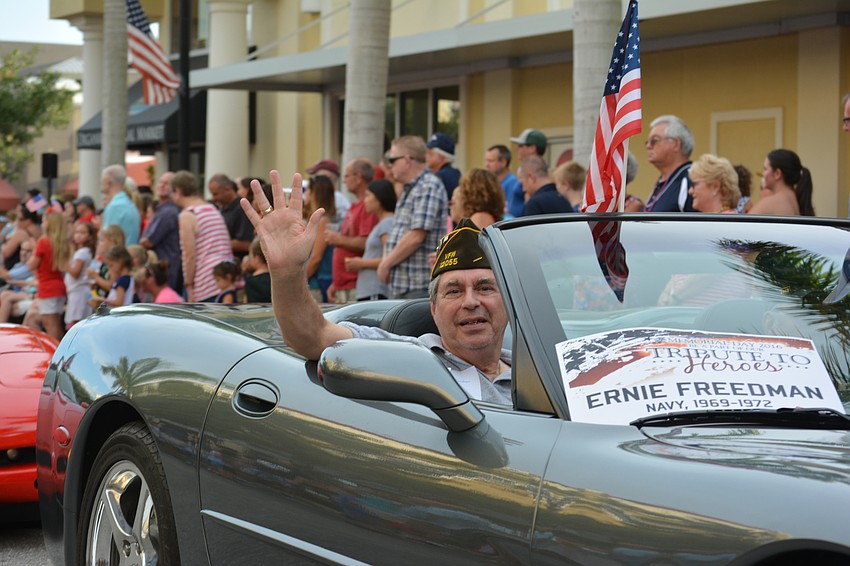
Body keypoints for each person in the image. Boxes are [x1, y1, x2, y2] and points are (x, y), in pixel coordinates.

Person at [242, 171, 512, 405]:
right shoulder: (411, 357)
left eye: (484, 288)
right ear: (433, 308)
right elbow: (312, 336)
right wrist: (287, 272)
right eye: (453, 291)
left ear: (509, 301)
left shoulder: (532, 366)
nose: (470, 302)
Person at [378, 135, 448, 299]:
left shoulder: (427, 185)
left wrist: (386, 264)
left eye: (392, 160)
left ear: (407, 160)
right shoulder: (412, 188)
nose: (390, 165)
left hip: (418, 285)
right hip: (407, 285)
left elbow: (416, 236)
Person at [172, 170, 234, 302]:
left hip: (206, 282)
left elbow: (189, 254)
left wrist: (188, 284)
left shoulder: (188, 215)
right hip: (226, 276)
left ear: (177, 191)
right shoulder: (212, 208)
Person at [324, 159, 378, 304]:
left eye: (347, 176)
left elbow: (366, 242)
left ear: (358, 177)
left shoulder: (367, 207)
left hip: (355, 283)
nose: (344, 181)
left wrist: (338, 239)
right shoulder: (355, 206)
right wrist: (336, 282)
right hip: (344, 283)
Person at [344, 179, 397, 301]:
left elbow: (390, 257)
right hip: (369, 290)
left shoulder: (387, 223)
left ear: (379, 198)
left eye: (368, 196)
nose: (365, 200)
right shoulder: (381, 224)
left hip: (376, 289)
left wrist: (361, 263)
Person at [28, 212, 71, 341]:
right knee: (56, 324)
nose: (42, 224)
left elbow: (31, 265)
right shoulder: (61, 243)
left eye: (44, 221)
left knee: (50, 325)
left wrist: (33, 249)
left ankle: (56, 352)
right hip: (59, 287)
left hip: (47, 287)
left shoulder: (43, 241)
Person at [643, 115, 696, 212]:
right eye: (648, 142)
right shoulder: (662, 181)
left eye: (654, 140)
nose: (648, 146)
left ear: (675, 144)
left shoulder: (692, 179)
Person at [140, 171, 182, 294]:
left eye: (167, 183)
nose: (162, 185)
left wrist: (141, 243)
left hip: (165, 269)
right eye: (161, 182)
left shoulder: (168, 212)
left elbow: (149, 241)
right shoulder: (161, 209)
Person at [749, 149, 815, 216]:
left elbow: (746, 221)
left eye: (765, 169)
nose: (763, 174)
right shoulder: (794, 200)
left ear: (777, 174)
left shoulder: (771, 203)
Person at [304, 175, 336, 303]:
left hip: (318, 284)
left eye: (307, 190)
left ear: (314, 193)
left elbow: (316, 258)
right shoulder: (319, 220)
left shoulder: (323, 221)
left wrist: (299, 281)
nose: (305, 194)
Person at [209, 173, 255, 262]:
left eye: (216, 194)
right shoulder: (222, 209)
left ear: (227, 189)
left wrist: (217, 243)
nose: (214, 198)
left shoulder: (241, 209)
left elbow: (248, 244)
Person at [64, 221, 96, 329]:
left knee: (74, 324)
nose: (78, 235)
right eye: (77, 232)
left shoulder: (82, 252)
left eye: (83, 233)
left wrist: (65, 265)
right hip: (77, 291)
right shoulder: (83, 251)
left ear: (90, 236)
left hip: (78, 292)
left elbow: (75, 272)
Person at [101, 164, 142, 245]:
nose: (101, 184)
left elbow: (107, 241)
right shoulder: (130, 205)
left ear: (108, 182)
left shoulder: (114, 207)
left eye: (101, 181)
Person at [484, 144, 523, 219]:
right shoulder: (492, 184)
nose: (486, 165)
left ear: (503, 162)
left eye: (490, 161)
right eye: (486, 160)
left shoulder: (514, 184)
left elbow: (511, 215)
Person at [2, 201, 41, 271]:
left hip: (16, 270)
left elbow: (6, 253)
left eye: (20, 219)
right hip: (33, 268)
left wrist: (4, 244)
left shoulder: (21, 233)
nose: (17, 222)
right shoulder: (40, 230)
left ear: (28, 220)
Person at [426, 132, 461, 201]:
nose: (426, 156)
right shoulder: (456, 174)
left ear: (441, 157)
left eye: (430, 153)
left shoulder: (439, 177)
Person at [243, 238, 271, 303]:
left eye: (250, 255)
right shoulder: (275, 278)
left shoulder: (251, 281)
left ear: (257, 258)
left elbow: (247, 302)